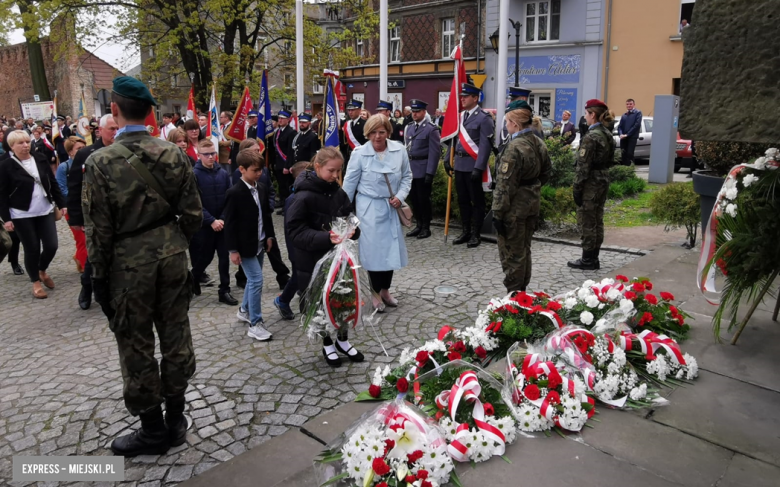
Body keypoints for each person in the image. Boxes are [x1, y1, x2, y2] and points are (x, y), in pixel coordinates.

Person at [82, 76, 202, 457]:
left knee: (135, 345)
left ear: (114, 111)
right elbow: (193, 215)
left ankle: (153, 430)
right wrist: (172, 244)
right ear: (149, 111)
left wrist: (98, 279)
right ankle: (177, 420)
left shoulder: (99, 161)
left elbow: (97, 230)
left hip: (127, 267)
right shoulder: (173, 153)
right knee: (176, 336)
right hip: (170, 260)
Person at [286, 148, 362, 366]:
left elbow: (349, 216)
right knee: (319, 304)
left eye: (339, 171)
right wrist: (325, 237)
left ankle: (343, 340)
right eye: (331, 170)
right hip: (312, 262)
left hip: (339, 259)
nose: (336, 176)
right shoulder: (302, 196)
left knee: (343, 300)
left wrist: (354, 231)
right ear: (317, 167)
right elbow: (295, 232)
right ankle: (327, 341)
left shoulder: (339, 193)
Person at [343, 114, 412, 309]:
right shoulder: (359, 153)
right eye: (373, 132)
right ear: (367, 133)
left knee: (390, 250)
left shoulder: (399, 150)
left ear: (388, 132)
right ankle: (374, 293)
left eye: (381, 132)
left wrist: (400, 196)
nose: (377, 136)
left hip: (391, 206)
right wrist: (343, 211)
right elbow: (350, 184)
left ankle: (385, 290)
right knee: (374, 252)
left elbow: (407, 176)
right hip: (369, 207)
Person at [492, 108, 551, 292]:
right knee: (525, 249)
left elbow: (504, 185)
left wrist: (497, 212)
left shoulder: (514, 147)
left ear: (515, 124)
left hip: (514, 208)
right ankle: (522, 290)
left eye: (507, 122)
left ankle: (514, 295)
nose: (506, 126)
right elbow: (547, 172)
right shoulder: (538, 142)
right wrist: (531, 186)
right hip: (532, 203)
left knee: (512, 252)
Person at [0, 130, 65, 298]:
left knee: (52, 245)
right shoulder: (6, 165)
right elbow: (2, 194)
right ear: (12, 146)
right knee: (32, 248)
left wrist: (62, 203)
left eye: (27, 142)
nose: (25, 145)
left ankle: (42, 270)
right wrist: (6, 218)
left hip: (44, 209)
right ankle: (35, 282)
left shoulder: (40, 158)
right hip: (22, 214)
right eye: (20, 143)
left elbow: (52, 182)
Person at [224, 147, 276, 341]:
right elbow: (229, 224)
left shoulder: (260, 188)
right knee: (256, 280)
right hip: (244, 246)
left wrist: (269, 236)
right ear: (241, 169)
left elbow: (266, 215)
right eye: (255, 170)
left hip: (260, 242)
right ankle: (255, 323)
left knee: (254, 279)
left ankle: (245, 309)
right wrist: (233, 250)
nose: (259, 173)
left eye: (261, 170)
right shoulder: (234, 193)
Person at [233, 138, 290, 290]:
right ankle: (242, 276)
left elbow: (270, 190)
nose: (258, 153)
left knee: (272, 247)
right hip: (248, 221)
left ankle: (283, 276)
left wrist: (268, 206)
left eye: (259, 150)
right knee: (249, 251)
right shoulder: (238, 174)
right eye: (254, 151)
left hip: (264, 216)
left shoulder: (263, 171)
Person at [444, 83, 495, 248]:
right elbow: (454, 139)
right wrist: (447, 158)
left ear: (475, 98)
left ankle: (476, 233)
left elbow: (486, 146)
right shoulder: (459, 117)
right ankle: (465, 231)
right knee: (463, 200)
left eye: (466, 96)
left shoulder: (484, 118)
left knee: (477, 201)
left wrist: (479, 168)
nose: (462, 99)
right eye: (462, 96)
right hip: (459, 163)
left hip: (473, 165)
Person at [569, 99, 616, 271]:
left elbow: (583, 167)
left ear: (593, 115)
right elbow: (611, 160)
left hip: (590, 182)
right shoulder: (607, 134)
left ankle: (588, 259)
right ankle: (593, 256)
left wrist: (577, 187)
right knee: (597, 218)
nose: (585, 117)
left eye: (586, 113)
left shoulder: (591, 137)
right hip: (603, 178)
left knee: (587, 220)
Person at [190, 139, 237, 305]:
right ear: (199, 155)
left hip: (222, 224)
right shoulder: (194, 175)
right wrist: (211, 221)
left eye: (213, 153)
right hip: (205, 225)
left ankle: (224, 290)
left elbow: (229, 198)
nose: (210, 157)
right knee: (205, 257)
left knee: (224, 258)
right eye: (207, 154)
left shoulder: (223, 173)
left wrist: (223, 219)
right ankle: (193, 277)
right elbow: (194, 203)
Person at [273, 160, 311, 321]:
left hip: (306, 245)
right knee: (297, 275)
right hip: (297, 247)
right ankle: (282, 300)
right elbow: (293, 228)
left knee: (304, 275)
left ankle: (303, 295)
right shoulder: (293, 200)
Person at [404, 99, 440, 239]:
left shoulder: (431, 129)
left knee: (424, 199)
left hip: (423, 168)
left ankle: (426, 227)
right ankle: (418, 225)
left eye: (417, 111)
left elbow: (434, 152)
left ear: (424, 112)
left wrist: (430, 172)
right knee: (414, 198)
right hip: (411, 169)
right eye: (413, 111)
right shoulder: (410, 127)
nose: (414, 114)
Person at [55, 136, 88, 273]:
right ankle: (88, 271)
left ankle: (78, 257)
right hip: (73, 208)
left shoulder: (89, 163)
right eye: (78, 149)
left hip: (89, 206)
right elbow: (61, 188)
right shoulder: (64, 167)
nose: (82, 151)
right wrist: (76, 198)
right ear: (70, 152)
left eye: (84, 148)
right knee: (82, 240)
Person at [273, 110, 296, 213]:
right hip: (278, 163)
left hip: (285, 163)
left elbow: (290, 151)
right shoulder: (278, 132)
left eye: (283, 118)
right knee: (281, 186)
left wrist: (287, 166)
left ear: (288, 120)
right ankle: (283, 203)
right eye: (279, 118)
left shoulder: (291, 132)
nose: (280, 120)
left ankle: (287, 206)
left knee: (286, 186)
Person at [340, 99, 367, 164]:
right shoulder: (347, 124)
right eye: (349, 110)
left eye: (352, 110)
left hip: (362, 157)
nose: (350, 112)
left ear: (359, 110)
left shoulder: (365, 124)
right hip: (349, 156)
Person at [617, 99, 642, 166]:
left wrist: (627, 134)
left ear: (634, 104)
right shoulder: (624, 115)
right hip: (623, 137)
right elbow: (620, 126)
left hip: (632, 137)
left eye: (630, 104)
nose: (629, 105)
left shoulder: (638, 113)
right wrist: (621, 134)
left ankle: (631, 168)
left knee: (630, 153)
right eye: (627, 104)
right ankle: (625, 168)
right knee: (623, 153)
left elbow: (637, 125)